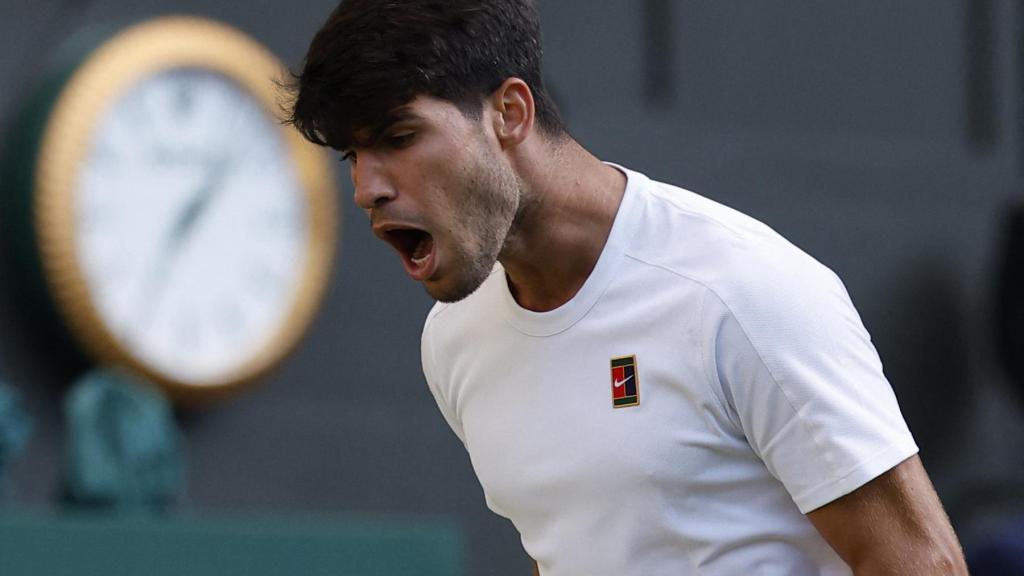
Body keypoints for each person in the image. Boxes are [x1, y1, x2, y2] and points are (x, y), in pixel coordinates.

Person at [286, 1, 968, 574]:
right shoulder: (453, 342)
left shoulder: (741, 292)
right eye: (353, 155)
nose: (366, 188)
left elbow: (922, 564)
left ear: (510, 113)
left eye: (399, 137)